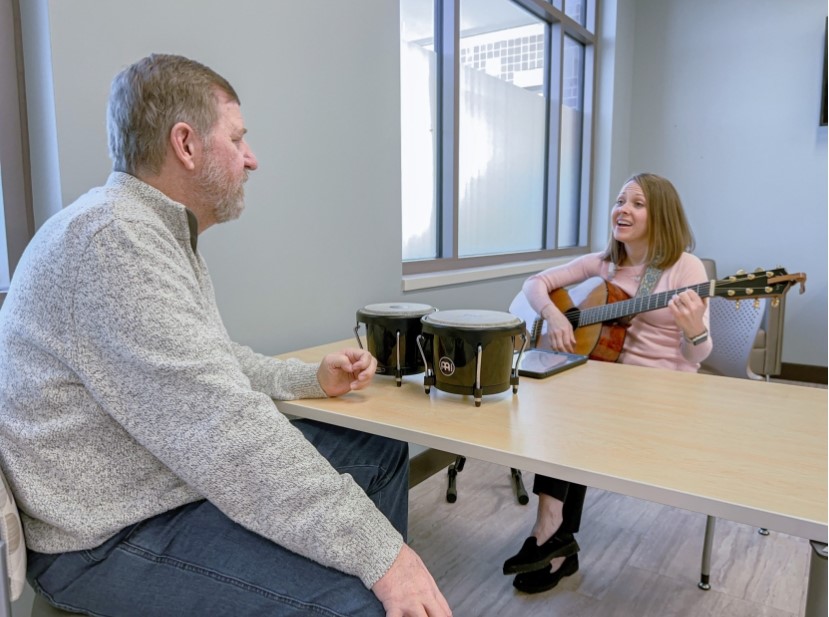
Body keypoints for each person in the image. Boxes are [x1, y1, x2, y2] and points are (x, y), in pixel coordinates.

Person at [0, 53, 451, 617]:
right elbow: (227, 433)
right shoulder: (114, 242)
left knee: (378, 450)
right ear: (186, 145)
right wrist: (388, 559)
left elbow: (213, 364)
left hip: (162, 483)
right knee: (360, 602)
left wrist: (308, 378)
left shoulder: (154, 233)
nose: (252, 158)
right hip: (102, 536)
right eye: (237, 139)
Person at [502, 172, 712, 594]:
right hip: (605, 383)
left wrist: (695, 331)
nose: (623, 210)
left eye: (637, 203)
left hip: (660, 393)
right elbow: (534, 284)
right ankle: (554, 538)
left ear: (662, 215)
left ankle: (551, 536)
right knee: (559, 407)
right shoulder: (604, 264)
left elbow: (699, 356)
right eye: (620, 201)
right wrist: (558, 316)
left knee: (571, 417)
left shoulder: (684, 267)